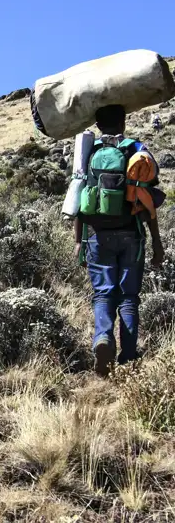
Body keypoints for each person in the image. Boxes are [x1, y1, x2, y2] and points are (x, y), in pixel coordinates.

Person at [74, 105, 165, 376]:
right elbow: (148, 196)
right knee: (128, 297)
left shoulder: (87, 151)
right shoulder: (135, 148)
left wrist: (79, 241)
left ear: (98, 124)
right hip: (131, 233)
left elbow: (78, 193)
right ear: (123, 122)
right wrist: (157, 244)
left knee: (103, 293)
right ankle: (128, 357)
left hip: (96, 234)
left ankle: (103, 338)